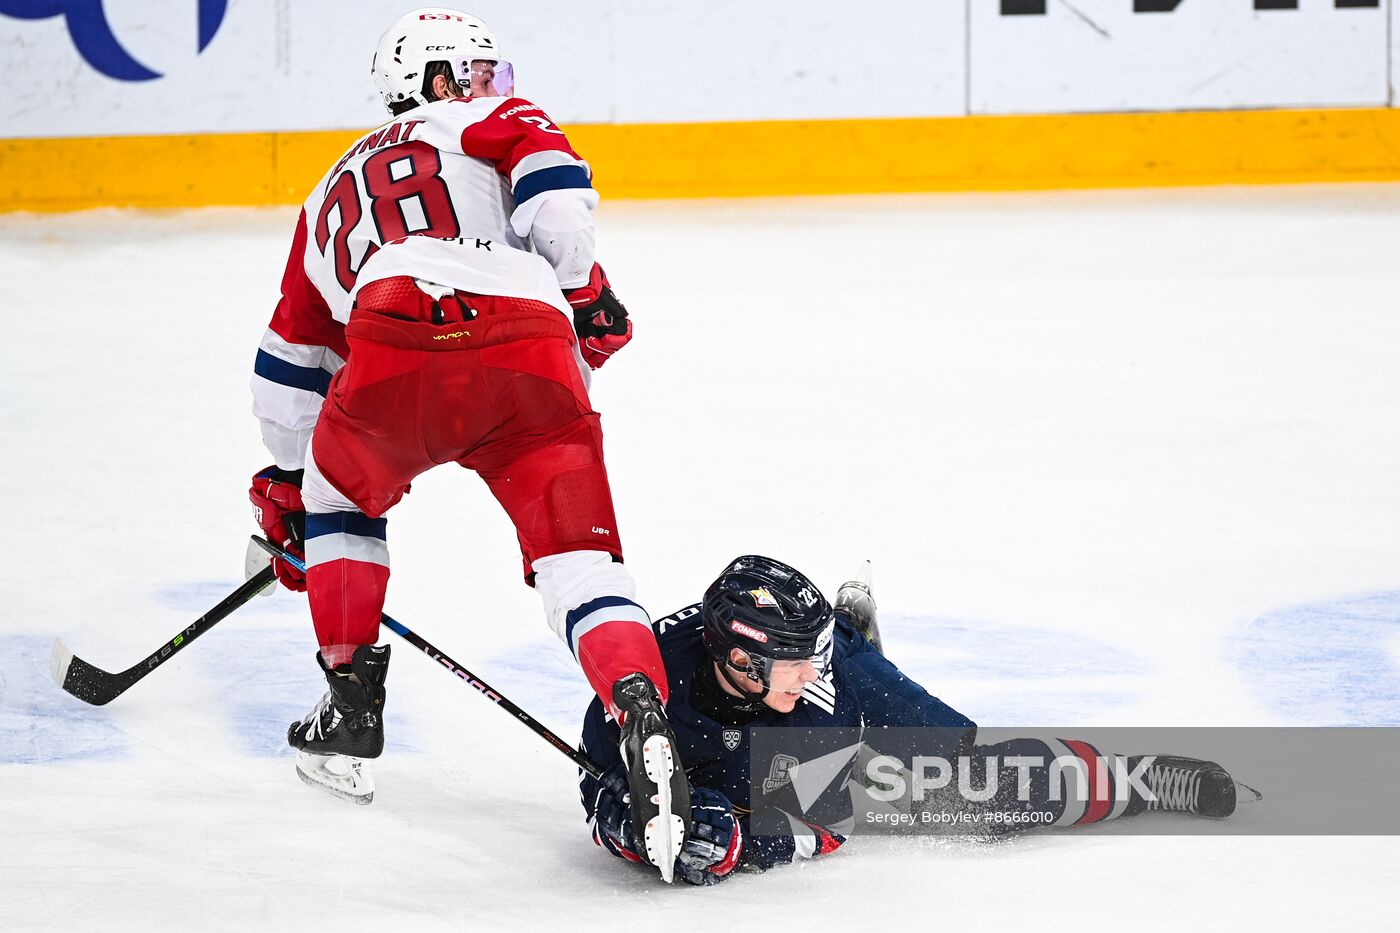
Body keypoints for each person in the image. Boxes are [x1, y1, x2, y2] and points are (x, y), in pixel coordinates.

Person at [246, 7, 688, 878]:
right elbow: (555, 187)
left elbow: (289, 366)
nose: (498, 86)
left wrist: (291, 485)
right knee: (583, 564)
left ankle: (349, 712)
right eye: (483, 71)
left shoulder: (325, 190)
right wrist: (582, 291)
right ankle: (639, 704)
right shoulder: (477, 119)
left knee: (340, 504)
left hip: (391, 345)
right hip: (524, 350)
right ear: (438, 81)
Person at [579, 556, 1248, 885]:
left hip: (823, 720)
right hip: (739, 745)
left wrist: (744, 844)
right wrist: (624, 823)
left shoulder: (821, 690)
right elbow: (598, 780)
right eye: (795, 659)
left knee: (976, 783)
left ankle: (1140, 780)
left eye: (816, 653)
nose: (811, 670)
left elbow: (831, 822)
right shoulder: (641, 687)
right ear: (740, 660)